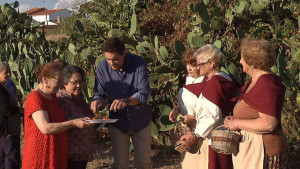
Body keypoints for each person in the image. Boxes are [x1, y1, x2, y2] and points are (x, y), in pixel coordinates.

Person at [224, 38, 288, 169]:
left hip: (265, 151)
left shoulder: (266, 84)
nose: (240, 61)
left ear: (252, 62)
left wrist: (237, 123)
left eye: (242, 58)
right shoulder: (255, 81)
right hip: (252, 148)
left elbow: (269, 124)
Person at [91, 37, 152, 169]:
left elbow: (144, 93)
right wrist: (97, 102)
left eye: (115, 59)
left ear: (124, 53)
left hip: (140, 120)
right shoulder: (102, 67)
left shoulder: (138, 63)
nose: (111, 63)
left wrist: (126, 101)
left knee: (143, 163)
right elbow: (100, 94)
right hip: (117, 122)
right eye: (108, 59)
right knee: (120, 165)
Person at [22, 61, 92, 169]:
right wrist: (73, 123)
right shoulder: (35, 98)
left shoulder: (52, 96)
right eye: (58, 81)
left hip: (55, 151)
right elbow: (45, 128)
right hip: (41, 152)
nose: (60, 85)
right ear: (45, 80)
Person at [180, 44, 239, 169]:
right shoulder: (224, 78)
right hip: (225, 135)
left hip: (219, 137)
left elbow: (212, 116)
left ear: (211, 63)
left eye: (200, 64)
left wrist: (195, 135)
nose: (198, 67)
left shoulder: (215, 83)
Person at [168, 49, 207, 169]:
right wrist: (177, 109)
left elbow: (210, 111)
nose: (189, 68)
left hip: (202, 132)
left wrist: (193, 118)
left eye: (193, 65)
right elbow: (187, 104)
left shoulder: (206, 83)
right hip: (187, 131)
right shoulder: (188, 80)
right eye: (187, 65)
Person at [57, 65, 95, 169]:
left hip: (83, 151)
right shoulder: (61, 100)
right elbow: (59, 123)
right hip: (70, 153)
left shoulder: (80, 97)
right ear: (64, 83)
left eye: (81, 82)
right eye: (75, 83)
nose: (79, 85)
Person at [0, 61, 21, 169]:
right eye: (6, 72)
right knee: (11, 158)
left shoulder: (4, 87)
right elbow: (6, 109)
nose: (9, 74)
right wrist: (19, 111)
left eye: (9, 72)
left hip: (4, 131)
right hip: (8, 130)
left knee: (3, 158)